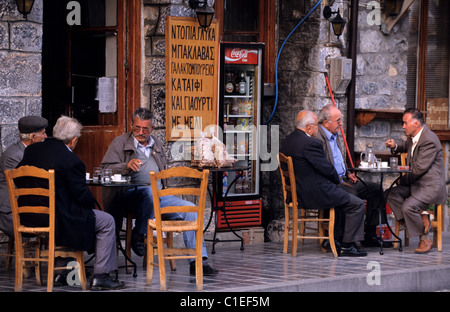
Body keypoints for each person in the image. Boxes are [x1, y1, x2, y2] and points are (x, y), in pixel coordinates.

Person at [101, 107, 218, 275]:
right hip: (130, 195)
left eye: (145, 129)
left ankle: (198, 262)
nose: (140, 132)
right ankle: (139, 233)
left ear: (152, 128)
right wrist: (125, 166)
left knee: (190, 210)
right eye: (137, 128)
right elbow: (106, 168)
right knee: (148, 193)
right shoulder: (120, 143)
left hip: (159, 196)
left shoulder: (156, 143)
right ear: (131, 125)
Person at [17, 116, 125, 290]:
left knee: (72, 214)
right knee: (106, 220)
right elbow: (82, 196)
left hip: (29, 216)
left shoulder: (32, 150)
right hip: (57, 219)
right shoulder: (72, 161)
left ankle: (64, 272)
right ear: (74, 140)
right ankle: (101, 276)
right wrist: (93, 203)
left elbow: (18, 179)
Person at [280, 110, 367, 257]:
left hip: (298, 192)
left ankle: (336, 239)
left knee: (343, 196)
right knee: (357, 204)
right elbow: (327, 169)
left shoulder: (288, 140)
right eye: (316, 126)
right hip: (313, 193)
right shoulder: (310, 144)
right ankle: (347, 245)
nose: (317, 129)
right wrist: (338, 181)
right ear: (308, 127)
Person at [316, 105, 389, 247]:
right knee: (352, 194)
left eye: (341, 120)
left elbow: (337, 160)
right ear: (326, 122)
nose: (341, 124)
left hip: (344, 178)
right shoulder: (318, 138)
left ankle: (371, 234)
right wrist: (339, 179)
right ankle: (345, 239)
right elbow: (323, 166)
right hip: (333, 182)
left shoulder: (334, 135)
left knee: (375, 189)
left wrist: (348, 173)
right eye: (338, 120)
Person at [385, 108, 447, 254]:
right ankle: (420, 218)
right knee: (390, 193)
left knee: (408, 207)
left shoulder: (429, 140)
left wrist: (402, 181)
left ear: (417, 123)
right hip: (417, 184)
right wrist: (395, 146)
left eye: (405, 123)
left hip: (430, 187)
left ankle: (425, 238)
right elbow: (406, 146)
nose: (403, 126)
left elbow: (418, 169)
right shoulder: (414, 137)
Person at [0, 116, 48, 239]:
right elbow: (27, 185)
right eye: (43, 133)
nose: (46, 137)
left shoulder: (28, 152)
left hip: (24, 206)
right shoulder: (15, 156)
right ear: (32, 137)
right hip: (10, 212)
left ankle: (57, 254)